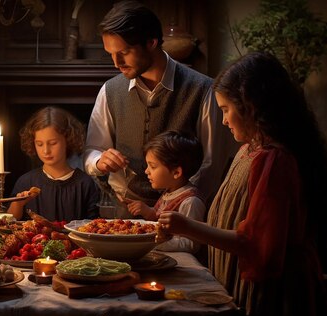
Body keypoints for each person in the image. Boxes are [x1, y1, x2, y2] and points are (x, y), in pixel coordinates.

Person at [158, 52, 327, 316]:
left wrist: (187, 227)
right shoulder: (248, 149)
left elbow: (258, 244)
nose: (223, 120)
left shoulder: (274, 160)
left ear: (251, 106)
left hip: (275, 295)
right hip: (245, 281)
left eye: (226, 110)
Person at [83, 0, 233, 218]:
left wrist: (178, 206)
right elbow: (92, 151)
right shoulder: (110, 91)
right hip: (125, 213)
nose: (116, 62)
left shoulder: (203, 90)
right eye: (111, 54)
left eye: (124, 52)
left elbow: (211, 166)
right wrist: (99, 160)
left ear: (152, 42)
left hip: (182, 216)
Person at [7, 106, 99, 222]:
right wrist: (18, 204)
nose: (46, 151)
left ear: (68, 140)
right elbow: (9, 222)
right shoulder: (26, 182)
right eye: (39, 144)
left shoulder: (84, 183)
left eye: (53, 143)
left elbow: (93, 226)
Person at [122, 130, 205, 254]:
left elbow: (191, 244)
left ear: (176, 172)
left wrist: (153, 242)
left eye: (153, 166)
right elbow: (160, 219)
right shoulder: (169, 192)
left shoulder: (190, 202)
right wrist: (148, 212)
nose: (146, 171)